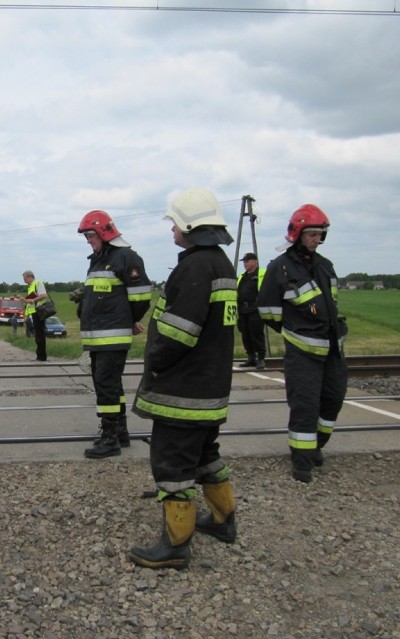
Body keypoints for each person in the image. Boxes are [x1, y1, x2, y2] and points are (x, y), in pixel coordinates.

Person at [129, 187, 238, 570]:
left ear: (191, 226)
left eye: (175, 223)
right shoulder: (222, 263)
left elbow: (179, 332)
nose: (172, 230)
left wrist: (155, 362)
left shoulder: (194, 267)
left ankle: (176, 547)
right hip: (209, 387)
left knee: (173, 466)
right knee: (206, 455)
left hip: (183, 393)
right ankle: (223, 522)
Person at [257, 204, 348, 483]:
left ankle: (316, 446)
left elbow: (330, 306)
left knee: (332, 400)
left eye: (320, 234)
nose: (316, 239)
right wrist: (293, 330)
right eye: (312, 234)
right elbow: (268, 310)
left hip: (332, 350)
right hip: (303, 353)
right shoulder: (279, 267)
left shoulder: (326, 266)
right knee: (305, 406)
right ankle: (302, 462)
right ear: (298, 234)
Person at [76, 210, 152, 459]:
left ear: (104, 232)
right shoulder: (98, 259)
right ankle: (120, 432)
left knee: (106, 387)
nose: (88, 240)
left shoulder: (126, 257)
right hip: (99, 338)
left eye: (90, 235)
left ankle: (109, 439)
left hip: (112, 337)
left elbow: (141, 297)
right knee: (110, 385)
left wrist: (131, 320)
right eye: (86, 236)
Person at [237, 252, 267, 370]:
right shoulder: (242, 276)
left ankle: (261, 358)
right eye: (244, 261)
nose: (245, 264)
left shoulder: (262, 274)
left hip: (255, 309)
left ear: (255, 261)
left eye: (247, 261)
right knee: (246, 334)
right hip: (243, 310)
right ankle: (251, 357)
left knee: (256, 333)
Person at [17, 271, 49, 361]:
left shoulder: (38, 283)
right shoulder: (30, 286)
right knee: (37, 335)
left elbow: (44, 295)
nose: (24, 280)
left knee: (40, 335)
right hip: (34, 312)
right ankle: (39, 355)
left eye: (25, 278)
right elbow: (29, 304)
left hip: (39, 311)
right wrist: (26, 314)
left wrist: (32, 300)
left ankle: (42, 356)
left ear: (30, 276)